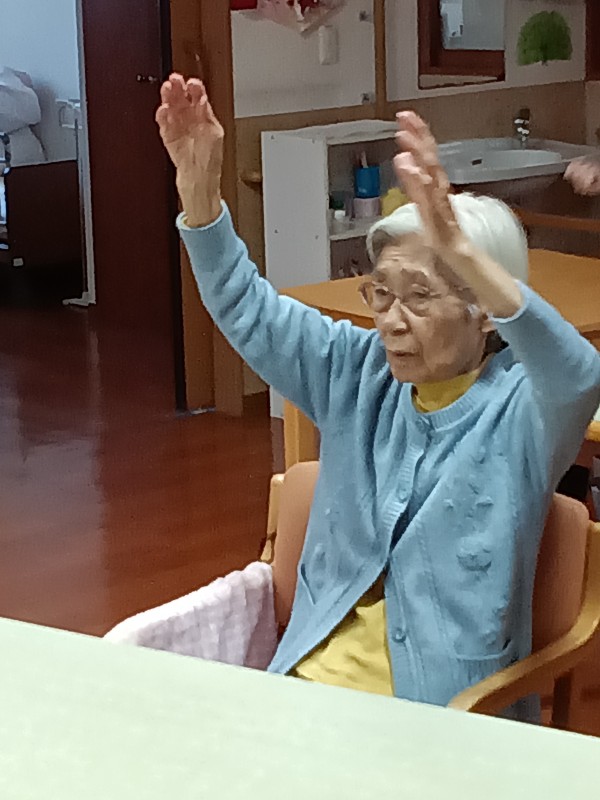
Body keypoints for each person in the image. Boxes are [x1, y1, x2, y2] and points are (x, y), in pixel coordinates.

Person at [156, 74, 600, 718]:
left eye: (418, 296)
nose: (390, 320)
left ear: (483, 311)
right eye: (381, 292)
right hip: (304, 696)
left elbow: (579, 375)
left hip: (433, 721)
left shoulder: (520, 414)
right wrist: (200, 196)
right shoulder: (357, 370)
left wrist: (459, 248)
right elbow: (248, 309)